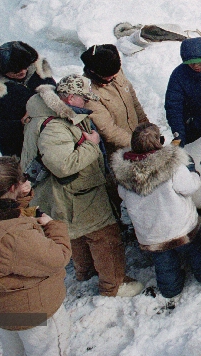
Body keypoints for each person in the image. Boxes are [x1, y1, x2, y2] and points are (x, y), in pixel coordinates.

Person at [21, 75, 144, 297]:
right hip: (76, 193)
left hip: (64, 195)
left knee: (76, 233)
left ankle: (85, 271)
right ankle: (114, 285)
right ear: (70, 98)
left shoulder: (44, 116)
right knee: (105, 235)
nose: (87, 103)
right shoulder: (55, 126)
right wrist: (92, 146)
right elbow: (63, 165)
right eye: (83, 99)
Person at [0, 157, 72, 355]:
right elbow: (59, 257)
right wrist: (53, 225)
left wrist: (20, 198)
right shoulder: (13, 235)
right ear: (12, 188)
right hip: (33, 312)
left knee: (15, 351)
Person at [112, 123, 201, 299]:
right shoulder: (171, 166)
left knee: (164, 265)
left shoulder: (124, 173)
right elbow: (189, 187)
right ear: (159, 143)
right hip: (179, 227)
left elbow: (122, 194)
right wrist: (194, 175)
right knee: (195, 252)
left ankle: (171, 289)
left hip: (151, 233)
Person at [0, 41, 56, 157]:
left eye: (24, 67)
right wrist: (20, 125)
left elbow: (54, 89)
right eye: (15, 71)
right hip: (18, 147)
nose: (22, 72)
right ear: (2, 70)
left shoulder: (37, 70)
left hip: (52, 136)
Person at [81, 44, 150, 156]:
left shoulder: (114, 69)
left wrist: (145, 124)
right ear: (94, 72)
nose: (113, 77)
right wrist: (137, 145)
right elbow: (108, 130)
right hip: (119, 150)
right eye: (108, 76)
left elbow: (131, 98)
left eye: (115, 74)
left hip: (137, 136)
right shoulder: (88, 93)